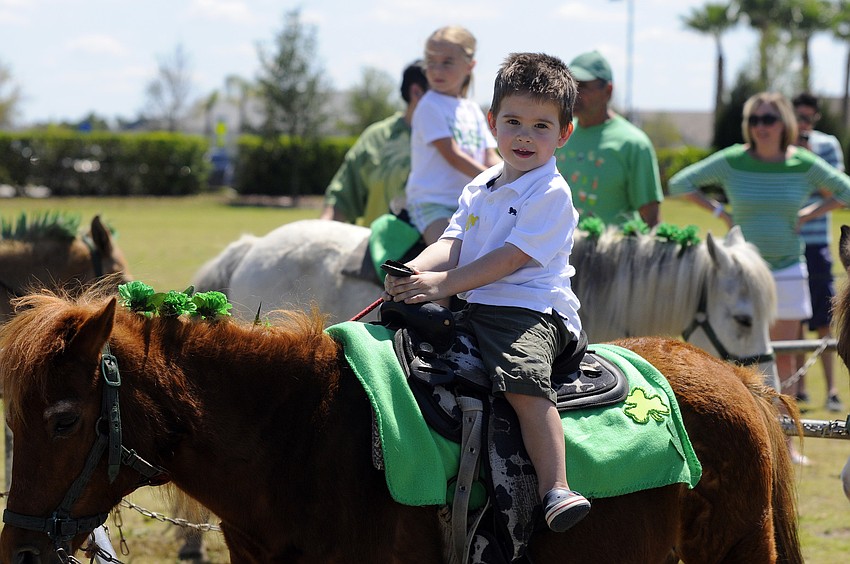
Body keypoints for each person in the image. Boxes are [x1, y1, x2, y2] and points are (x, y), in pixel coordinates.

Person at [384, 52, 590, 532]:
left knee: (520, 379)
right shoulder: (481, 184)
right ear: (492, 122)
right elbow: (451, 243)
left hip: (530, 311)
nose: (524, 136)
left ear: (564, 134)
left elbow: (509, 260)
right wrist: (414, 270)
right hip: (476, 305)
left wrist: (441, 284)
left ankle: (556, 487)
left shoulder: (551, 193)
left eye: (541, 126)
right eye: (513, 122)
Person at [667, 92, 850, 462]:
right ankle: (732, 435)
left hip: (786, 271)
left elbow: (845, 191)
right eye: (754, 120)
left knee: (783, 361)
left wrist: (810, 214)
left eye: (768, 119)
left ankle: (784, 445)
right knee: (732, 360)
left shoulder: (802, 162)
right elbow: (679, 184)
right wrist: (720, 211)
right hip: (741, 277)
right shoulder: (733, 160)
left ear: (785, 123)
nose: (761, 127)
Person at [405, 25, 501, 245]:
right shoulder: (429, 105)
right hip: (433, 204)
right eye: (431, 62)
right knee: (452, 254)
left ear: (470, 66)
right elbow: (453, 156)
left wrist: (520, 176)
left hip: (469, 202)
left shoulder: (472, 109)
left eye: (447, 62)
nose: (437, 70)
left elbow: (489, 156)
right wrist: (498, 181)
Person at [554, 50, 663, 227]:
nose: (574, 93)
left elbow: (651, 218)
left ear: (608, 91)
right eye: (571, 85)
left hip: (614, 245)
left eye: (583, 86)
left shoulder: (633, 144)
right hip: (561, 244)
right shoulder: (558, 134)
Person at [320, 61, 429, 226]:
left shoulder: (461, 140)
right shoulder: (376, 138)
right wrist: (320, 232)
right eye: (444, 94)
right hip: (376, 242)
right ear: (416, 92)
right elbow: (342, 198)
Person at [791, 92, 846, 412]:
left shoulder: (827, 146)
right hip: (788, 245)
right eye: (798, 117)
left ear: (816, 118)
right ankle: (799, 389)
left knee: (824, 320)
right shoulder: (780, 147)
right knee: (793, 320)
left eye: (808, 118)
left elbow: (836, 191)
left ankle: (832, 390)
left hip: (817, 244)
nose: (802, 124)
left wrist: (809, 161)